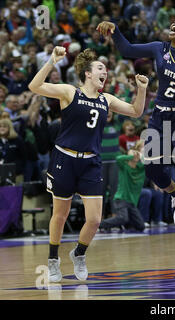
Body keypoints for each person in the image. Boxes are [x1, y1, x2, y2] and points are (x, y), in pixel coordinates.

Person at [97, 19, 175, 257]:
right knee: (152, 169)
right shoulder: (159, 48)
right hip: (162, 115)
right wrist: (116, 30)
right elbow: (127, 49)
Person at [28, 46, 149, 282]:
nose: (105, 72)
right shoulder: (69, 92)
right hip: (65, 158)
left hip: (91, 162)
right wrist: (52, 61)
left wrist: (142, 90)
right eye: (100, 68)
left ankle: (79, 253)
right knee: (60, 215)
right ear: (88, 73)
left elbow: (135, 111)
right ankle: (53, 259)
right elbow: (35, 86)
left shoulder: (107, 99)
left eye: (106, 68)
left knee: (94, 219)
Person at [99, 141, 146, 232]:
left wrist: (141, 156)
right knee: (123, 218)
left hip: (132, 203)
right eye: (132, 154)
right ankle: (98, 225)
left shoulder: (141, 168)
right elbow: (118, 158)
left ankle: (115, 225)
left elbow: (150, 162)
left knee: (141, 226)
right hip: (121, 199)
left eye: (136, 154)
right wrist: (132, 156)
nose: (134, 155)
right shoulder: (124, 167)